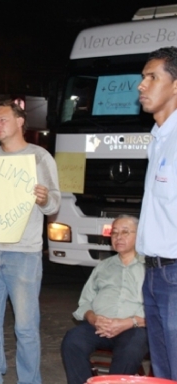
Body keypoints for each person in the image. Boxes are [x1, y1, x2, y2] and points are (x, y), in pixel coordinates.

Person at [0, 100, 60, 384]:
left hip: (23, 254)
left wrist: (45, 199)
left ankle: (29, 381)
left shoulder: (39, 158)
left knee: (25, 328)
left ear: (21, 121)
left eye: (3, 120)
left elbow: (54, 204)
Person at [61, 215, 148, 384]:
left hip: (134, 327)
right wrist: (93, 318)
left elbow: (158, 308)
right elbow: (85, 301)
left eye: (125, 232)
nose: (118, 237)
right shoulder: (103, 266)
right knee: (73, 340)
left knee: (132, 347)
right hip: (99, 326)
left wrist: (129, 322)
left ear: (139, 235)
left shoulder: (151, 268)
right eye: (114, 233)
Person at [136, 46, 177, 380]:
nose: (142, 85)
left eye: (152, 77)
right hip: (153, 274)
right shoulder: (157, 139)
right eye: (142, 77)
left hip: (175, 275)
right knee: (163, 372)